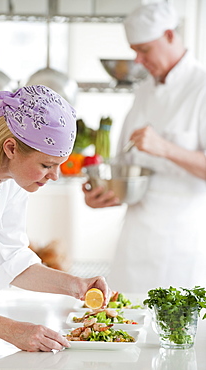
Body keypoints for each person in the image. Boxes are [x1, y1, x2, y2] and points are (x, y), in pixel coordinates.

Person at [0, 84, 111, 352]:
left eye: (59, 165)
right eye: (47, 165)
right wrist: (13, 331)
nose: (55, 176)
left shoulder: (10, 181)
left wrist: (76, 285)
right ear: (10, 148)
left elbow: (13, 260)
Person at [83, 2, 206, 293]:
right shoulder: (144, 90)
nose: (138, 60)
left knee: (177, 330)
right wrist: (102, 194)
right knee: (128, 324)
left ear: (170, 36)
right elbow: (124, 164)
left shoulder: (201, 86)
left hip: (184, 241)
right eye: (133, 50)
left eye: (145, 49)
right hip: (136, 239)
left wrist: (165, 148)